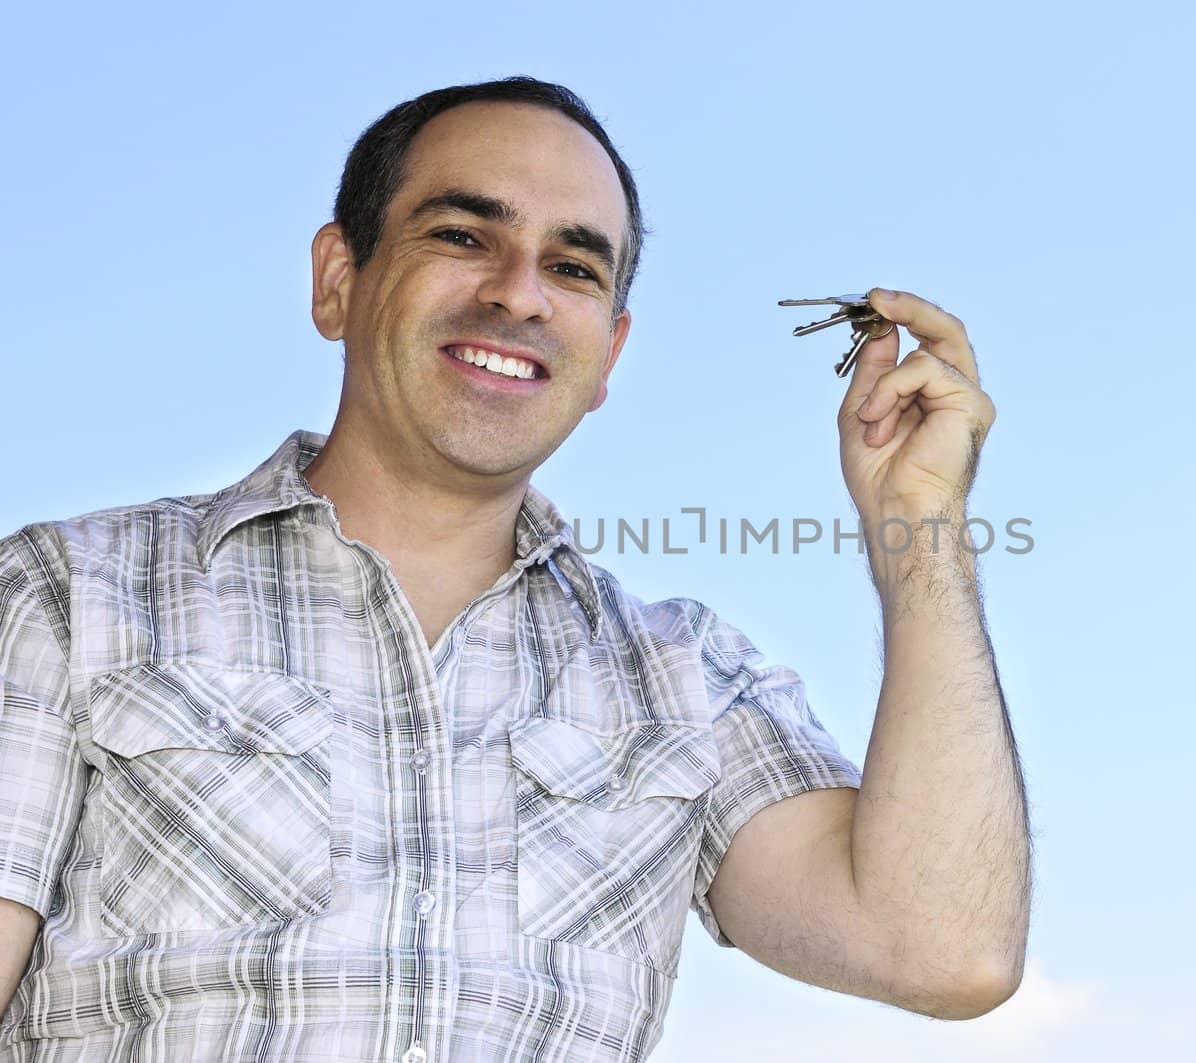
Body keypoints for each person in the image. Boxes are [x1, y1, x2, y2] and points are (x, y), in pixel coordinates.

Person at [0, 76, 1031, 1061]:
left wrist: (919, 528)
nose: (518, 294)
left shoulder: (687, 679)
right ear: (338, 280)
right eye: (462, 236)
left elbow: (942, 948)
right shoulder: (68, 595)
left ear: (609, 357)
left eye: (574, 267)